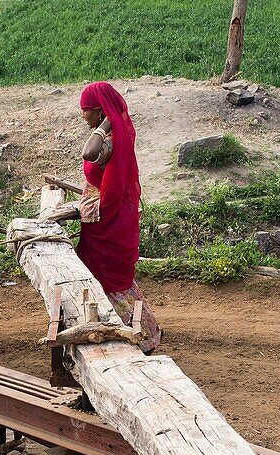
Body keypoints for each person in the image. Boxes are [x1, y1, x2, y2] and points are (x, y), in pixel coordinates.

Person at [75, 81, 161, 354]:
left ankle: (132, 334)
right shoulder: (120, 134)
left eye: (86, 110)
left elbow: (88, 153)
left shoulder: (108, 143)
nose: (82, 115)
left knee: (106, 277)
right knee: (117, 278)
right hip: (117, 217)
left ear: (99, 112)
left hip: (107, 223)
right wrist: (110, 121)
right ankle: (145, 329)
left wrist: (105, 126)